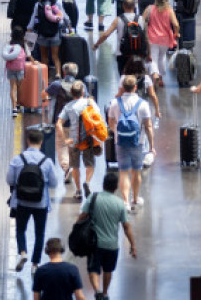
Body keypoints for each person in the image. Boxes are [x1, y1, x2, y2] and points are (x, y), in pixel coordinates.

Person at [7, 127, 60, 274]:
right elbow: (55, 184)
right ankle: (35, 265)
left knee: (21, 229)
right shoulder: (47, 162)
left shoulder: (17, 159)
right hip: (40, 202)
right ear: (41, 142)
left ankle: (23, 253)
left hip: (21, 202)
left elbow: (9, 180)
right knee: (39, 233)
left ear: (28, 140)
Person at [78, 172, 136, 300]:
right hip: (112, 245)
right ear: (116, 187)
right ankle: (104, 293)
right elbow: (126, 227)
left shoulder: (93, 198)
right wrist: (133, 245)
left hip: (94, 243)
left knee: (93, 269)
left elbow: (82, 216)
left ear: (103, 184)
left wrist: (77, 229)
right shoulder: (120, 203)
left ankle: (97, 290)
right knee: (108, 270)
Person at [107, 76, 155, 211]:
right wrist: (151, 146)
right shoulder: (143, 104)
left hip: (120, 142)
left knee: (123, 172)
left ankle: (125, 202)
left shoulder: (115, 103)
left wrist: (116, 132)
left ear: (122, 87)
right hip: (138, 142)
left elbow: (110, 122)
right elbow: (148, 126)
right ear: (135, 87)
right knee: (136, 172)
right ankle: (135, 198)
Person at [56, 82, 100, 200]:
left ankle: (79, 191)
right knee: (90, 164)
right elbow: (98, 118)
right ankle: (87, 183)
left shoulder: (68, 106)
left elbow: (59, 123)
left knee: (75, 166)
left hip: (74, 140)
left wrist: (65, 139)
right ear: (83, 92)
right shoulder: (90, 103)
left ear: (71, 93)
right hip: (88, 139)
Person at [45, 63, 83, 177]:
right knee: (74, 145)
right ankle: (73, 167)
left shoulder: (57, 84)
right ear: (76, 73)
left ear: (64, 73)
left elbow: (44, 94)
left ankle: (67, 168)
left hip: (61, 122)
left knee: (61, 146)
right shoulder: (81, 85)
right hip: (77, 123)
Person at [91, 0, 145, 75]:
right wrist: (148, 53)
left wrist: (96, 44)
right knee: (138, 77)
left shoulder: (118, 19)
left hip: (122, 54)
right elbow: (146, 37)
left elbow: (106, 34)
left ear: (123, 6)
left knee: (124, 78)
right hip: (139, 53)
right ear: (134, 5)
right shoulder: (141, 19)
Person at [142, 0, 179, 88]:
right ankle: (161, 77)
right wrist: (176, 33)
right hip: (165, 38)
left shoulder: (149, 9)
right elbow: (175, 24)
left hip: (152, 37)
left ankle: (155, 75)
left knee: (153, 58)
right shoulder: (169, 10)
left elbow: (141, 21)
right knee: (162, 57)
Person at [28, 0, 64, 78]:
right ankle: (58, 73)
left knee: (44, 57)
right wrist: (69, 26)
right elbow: (64, 18)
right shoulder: (56, 5)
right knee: (55, 56)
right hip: (55, 35)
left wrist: (29, 29)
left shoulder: (38, 5)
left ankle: (45, 76)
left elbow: (33, 19)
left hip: (42, 35)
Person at [3, 26, 30, 117]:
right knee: (19, 88)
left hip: (11, 68)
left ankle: (14, 109)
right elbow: (29, 55)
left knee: (12, 89)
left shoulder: (10, 44)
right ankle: (18, 105)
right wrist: (34, 61)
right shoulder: (23, 44)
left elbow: (5, 54)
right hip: (20, 68)